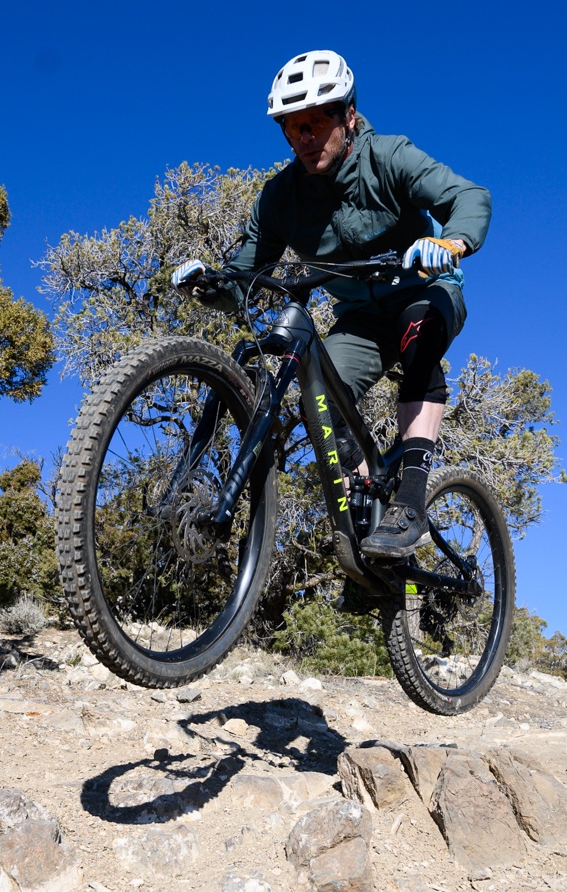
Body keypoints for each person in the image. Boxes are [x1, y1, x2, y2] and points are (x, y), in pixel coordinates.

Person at [172, 50, 491, 558]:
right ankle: (369, 514)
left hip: (424, 292)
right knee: (317, 394)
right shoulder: (281, 197)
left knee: (420, 333)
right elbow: (244, 276)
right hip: (360, 319)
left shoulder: (388, 156)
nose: (305, 137)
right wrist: (210, 286)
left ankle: (410, 499)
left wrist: (450, 242)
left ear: (349, 116)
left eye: (317, 121)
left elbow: (468, 196)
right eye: (293, 126)